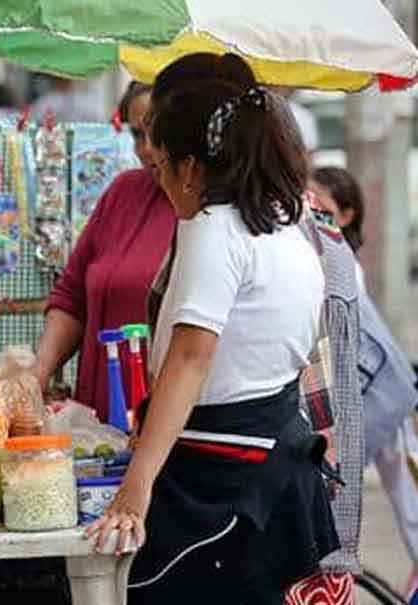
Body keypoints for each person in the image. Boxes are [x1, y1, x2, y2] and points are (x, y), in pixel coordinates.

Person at [86, 67, 340, 603]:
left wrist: (136, 488)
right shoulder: (283, 223)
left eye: (161, 170)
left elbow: (190, 360)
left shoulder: (213, 228)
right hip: (272, 456)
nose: (158, 183)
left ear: (191, 167)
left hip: (224, 473)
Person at [33, 80, 175, 420]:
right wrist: (37, 375)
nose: (145, 149)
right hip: (96, 411)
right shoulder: (123, 191)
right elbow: (71, 296)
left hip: (160, 417)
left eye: (154, 132)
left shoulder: (204, 210)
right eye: (136, 135)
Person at [312, 166, 418, 603]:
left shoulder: (340, 267)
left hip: (376, 394)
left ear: (348, 214)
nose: (314, 217)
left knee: (393, 497)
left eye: (324, 210)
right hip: (375, 391)